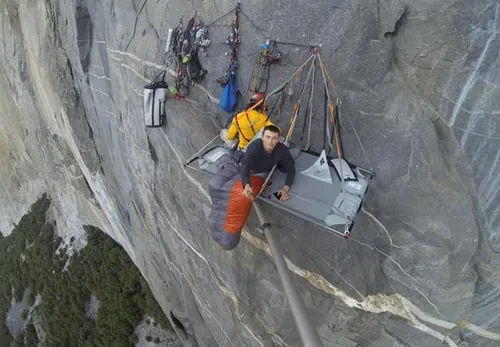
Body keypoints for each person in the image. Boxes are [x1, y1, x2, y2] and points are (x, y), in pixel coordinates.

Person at [240, 125, 295, 201]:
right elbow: (245, 165)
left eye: (274, 138)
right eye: (267, 137)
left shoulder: (282, 150)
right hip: (251, 171)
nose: (270, 141)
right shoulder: (254, 147)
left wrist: (285, 189)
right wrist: (246, 185)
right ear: (262, 137)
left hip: (267, 171)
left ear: (278, 140)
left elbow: (291, 169)